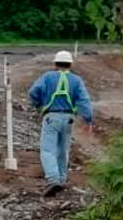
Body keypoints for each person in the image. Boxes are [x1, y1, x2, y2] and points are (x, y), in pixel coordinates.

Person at [28, 50, 93, 196]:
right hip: (69, 119)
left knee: (48, 150)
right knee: (63, 150)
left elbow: (33, 92)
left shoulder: (47, 77)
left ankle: (53, 179)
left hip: (51, 117)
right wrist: (88, 119)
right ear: (70, 64)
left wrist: (38, 105)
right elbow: (84, 101)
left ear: (55, 63)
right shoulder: (76, 80)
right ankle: (62, 180)